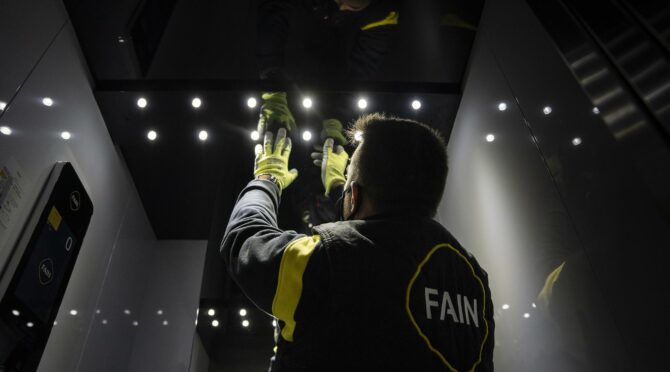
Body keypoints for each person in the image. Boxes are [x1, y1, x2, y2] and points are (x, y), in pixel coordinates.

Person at [220, 113, 495, 371]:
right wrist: (343, 186)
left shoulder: (326, 260)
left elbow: (244, 238)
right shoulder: (473, 280)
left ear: (354, 196)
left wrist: (267, 178)